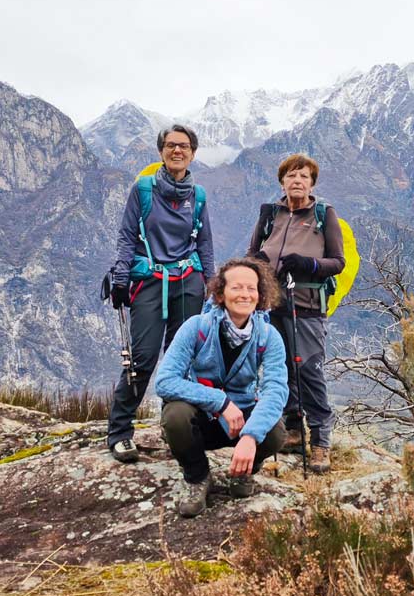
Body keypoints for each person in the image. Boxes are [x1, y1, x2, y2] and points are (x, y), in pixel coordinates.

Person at [107, 124, 214, 463]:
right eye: (170, 145)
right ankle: (120, 432)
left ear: (193, 153)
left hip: (187, 280)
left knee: (185, 359)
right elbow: (127, 236)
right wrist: (122, 277)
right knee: (142, 357)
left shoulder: (198, 197)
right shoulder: (142, 190)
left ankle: (176, 428)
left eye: (183, 146)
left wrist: (212, 284)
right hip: (150, 280)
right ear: (161, 152)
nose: (177, 151)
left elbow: (205, 242)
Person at [155, 257, 287, 517]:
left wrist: (251, 436)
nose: (245, 294)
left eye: (252, 288)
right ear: (220, 292)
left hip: (240, 424)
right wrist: (220, 402)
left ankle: (244, 471)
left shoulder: (268, 337)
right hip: (202, 419)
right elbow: (165, 381)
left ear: (261, 295)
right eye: (237, 287)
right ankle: (198, 477)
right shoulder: (196, 328)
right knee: (175, 416)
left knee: (275, 431)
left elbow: (276, 391)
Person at [246, 153, 345, 474]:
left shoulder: (322, 214)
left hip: (308, 303)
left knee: (310, 369)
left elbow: (337, 261)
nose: (297, 181)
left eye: (303, 176)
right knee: (282, 366)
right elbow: (252, 255)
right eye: (291, 176)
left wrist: (309, 265)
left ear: (312, 183)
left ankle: (320, 440)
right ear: (282, 182)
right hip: (273, 303)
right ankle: (292, 428)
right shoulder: (271, 214)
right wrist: (260, 262)